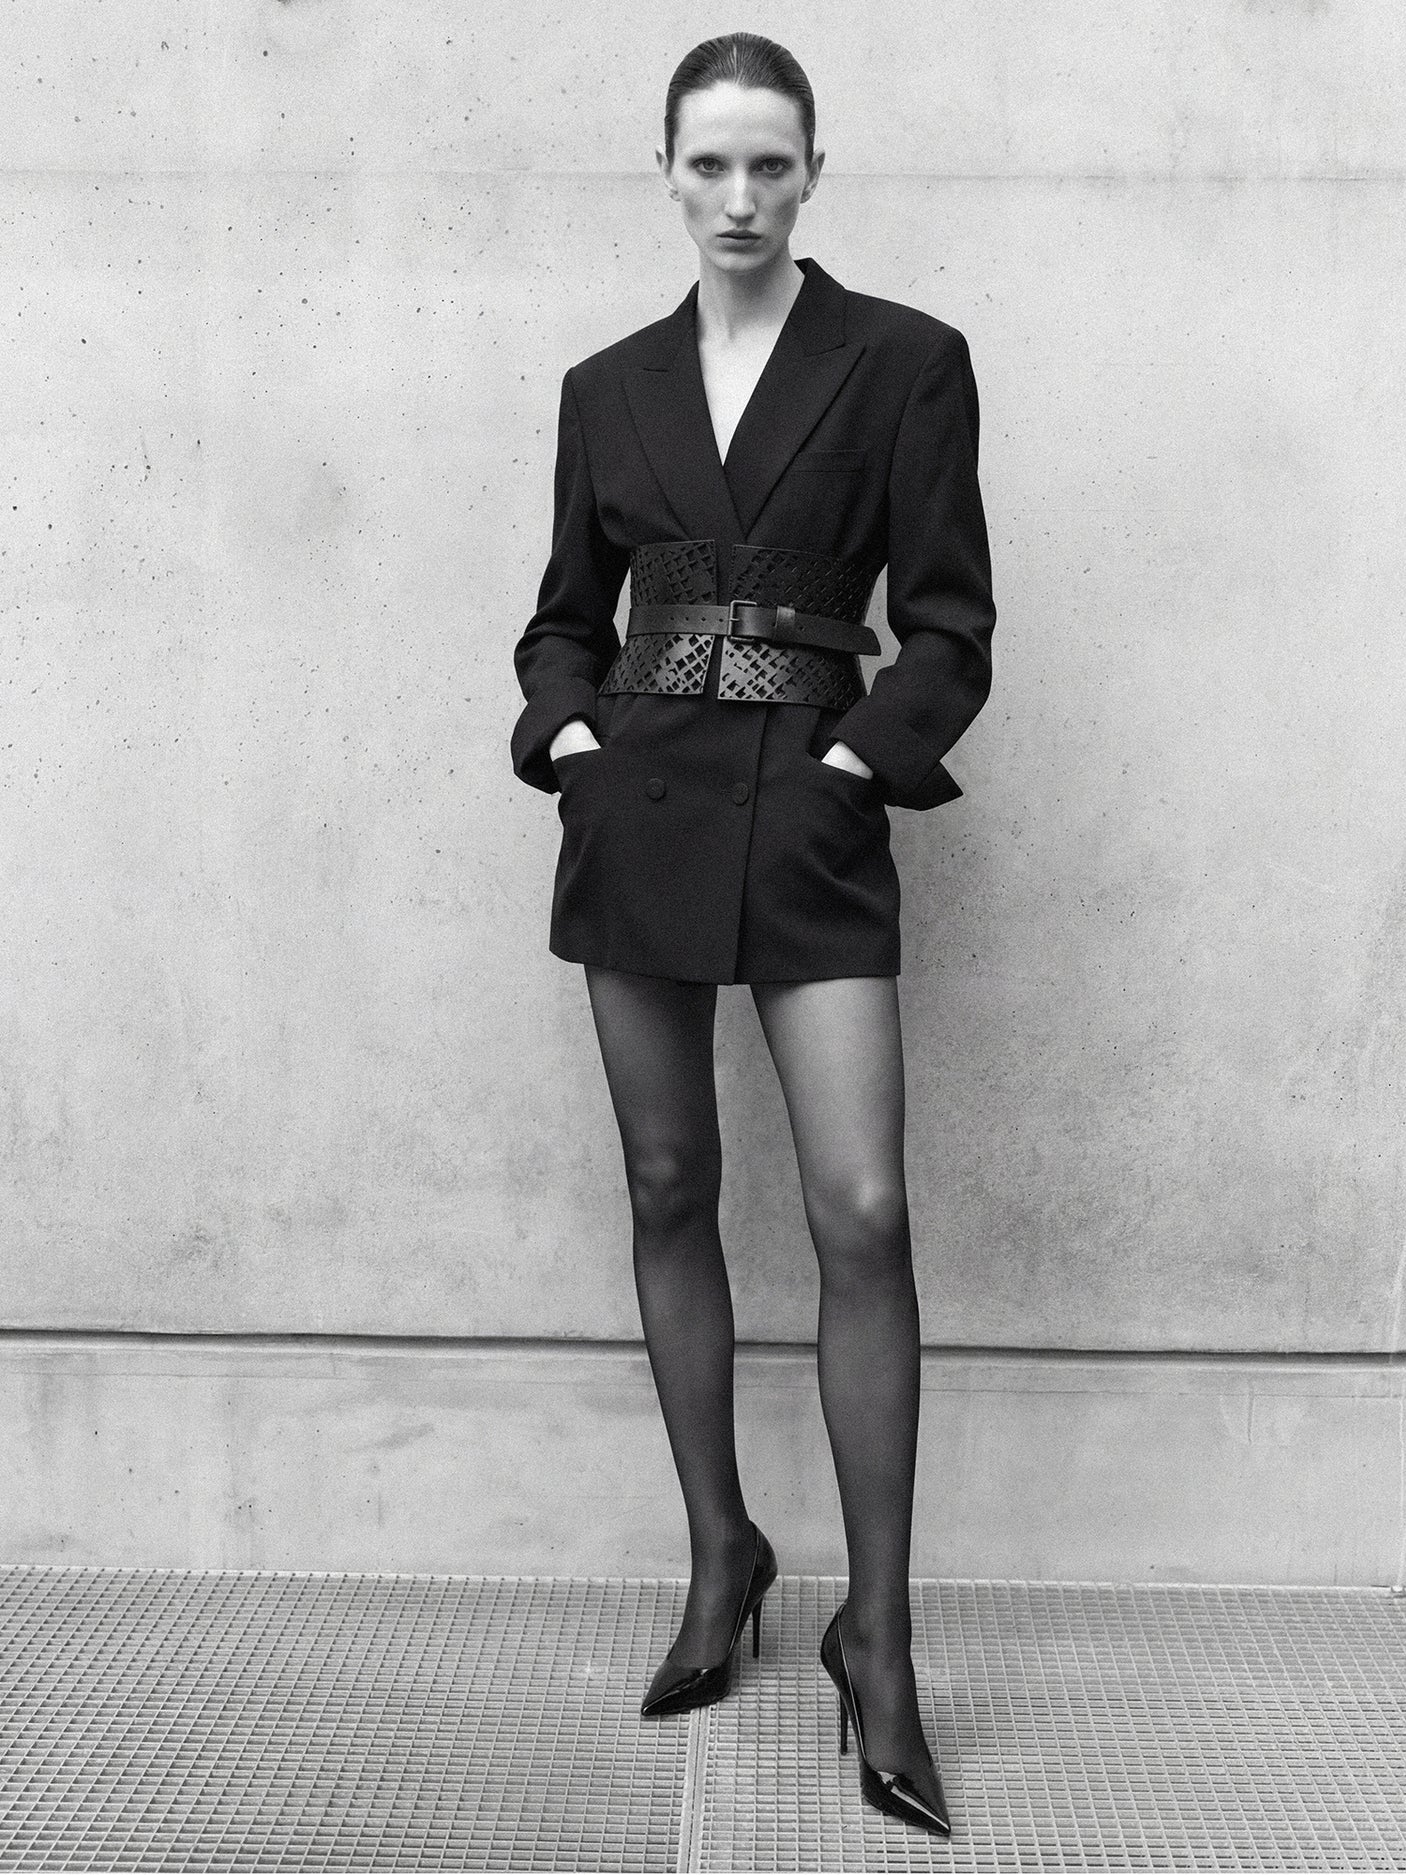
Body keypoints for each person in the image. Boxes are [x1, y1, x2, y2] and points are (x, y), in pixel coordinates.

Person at [511, 32, 994, 1838]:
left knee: (863, 1212)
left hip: (809, 810)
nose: (739, 198)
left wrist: (859, 764)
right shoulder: (606, 385)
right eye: (709, 165)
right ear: (665, 170)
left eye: (769, 165)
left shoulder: (906, 360)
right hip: (635, 804)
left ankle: (883, 1638)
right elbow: (564, 616)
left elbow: (950, 626)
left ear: (812, 174)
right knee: (665, 1183)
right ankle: (722, 1551)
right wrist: (569, 736)